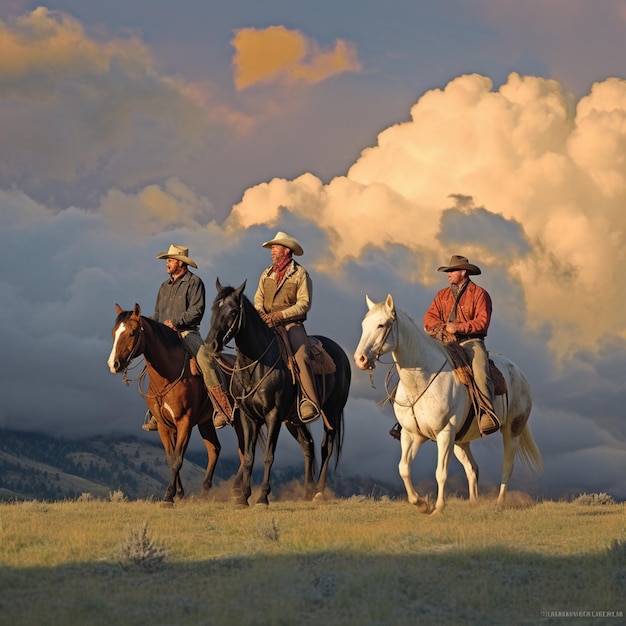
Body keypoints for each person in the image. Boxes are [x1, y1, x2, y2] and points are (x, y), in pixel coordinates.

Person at [389, 254, 499, 440]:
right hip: (444, 341)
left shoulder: (480, 294)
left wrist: (459, 327)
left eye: (451, 271)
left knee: (479, 369)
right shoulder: (442, 295)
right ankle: (404, 418)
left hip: (470, 342)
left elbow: (482, 322)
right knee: (416, 368)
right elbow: (429, 317)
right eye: (448, 271)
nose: (448, 274)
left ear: (463, 272)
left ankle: (486, 412)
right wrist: (440, 327)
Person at [144, 244, 232, 430]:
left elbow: (196, 311)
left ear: (180, 263)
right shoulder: (164, 286)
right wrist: (147, 324)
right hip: (165, 335)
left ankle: (221, 408)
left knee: (205, 360)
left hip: (186, 332)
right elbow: (158, 313)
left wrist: (175, 322)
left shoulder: (194, 282)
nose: (167, 263)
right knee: (150, 360)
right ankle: (155, 411)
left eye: (170, 260)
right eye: (167, 260)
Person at [253, 231, 321, 422]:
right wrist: (260, 314)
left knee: (302, 355)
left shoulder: (300, 274)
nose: (272, 251)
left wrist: (279, 315)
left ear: (286, 250)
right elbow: (258, 299)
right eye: (272, 248)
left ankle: (309, 400)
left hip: (291, 325)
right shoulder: (266, 273)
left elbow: (304, 304)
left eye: (275, 247)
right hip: (266, 324)